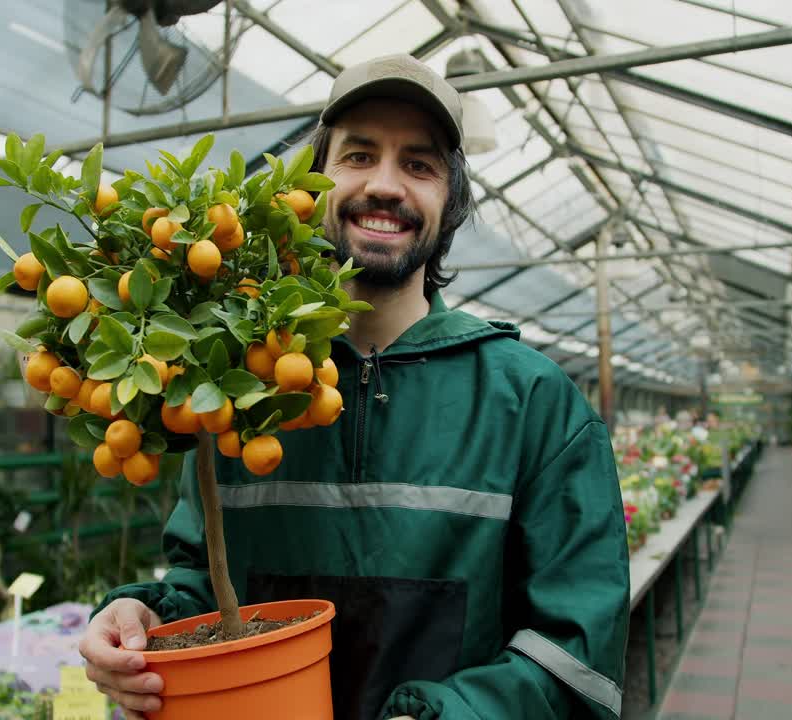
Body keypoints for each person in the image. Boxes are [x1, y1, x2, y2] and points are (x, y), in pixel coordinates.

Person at [79, 54, 630, 720]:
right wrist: (146, 619)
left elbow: (577, 651)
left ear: (448, 201)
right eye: (359, 156)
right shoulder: (237, 389)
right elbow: (212, 585)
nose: (387, 186)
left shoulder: (532, 402)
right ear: (310, 187)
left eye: (419, 165)